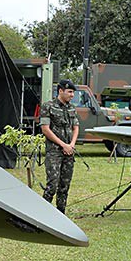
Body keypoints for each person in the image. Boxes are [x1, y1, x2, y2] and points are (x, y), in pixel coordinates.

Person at [40, 79, 79, 213]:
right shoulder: (48, 106)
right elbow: (45, 129)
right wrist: (63, 145)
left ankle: (60, 214)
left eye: (73, 92)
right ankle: (42, 214)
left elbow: (76, 127)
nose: (72, 95)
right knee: (52, 184)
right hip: (54, 152)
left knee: (64, 186)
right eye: (69, 92)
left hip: (69, 152)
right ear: (60, 91)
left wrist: (71, 145)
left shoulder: (71, 108)